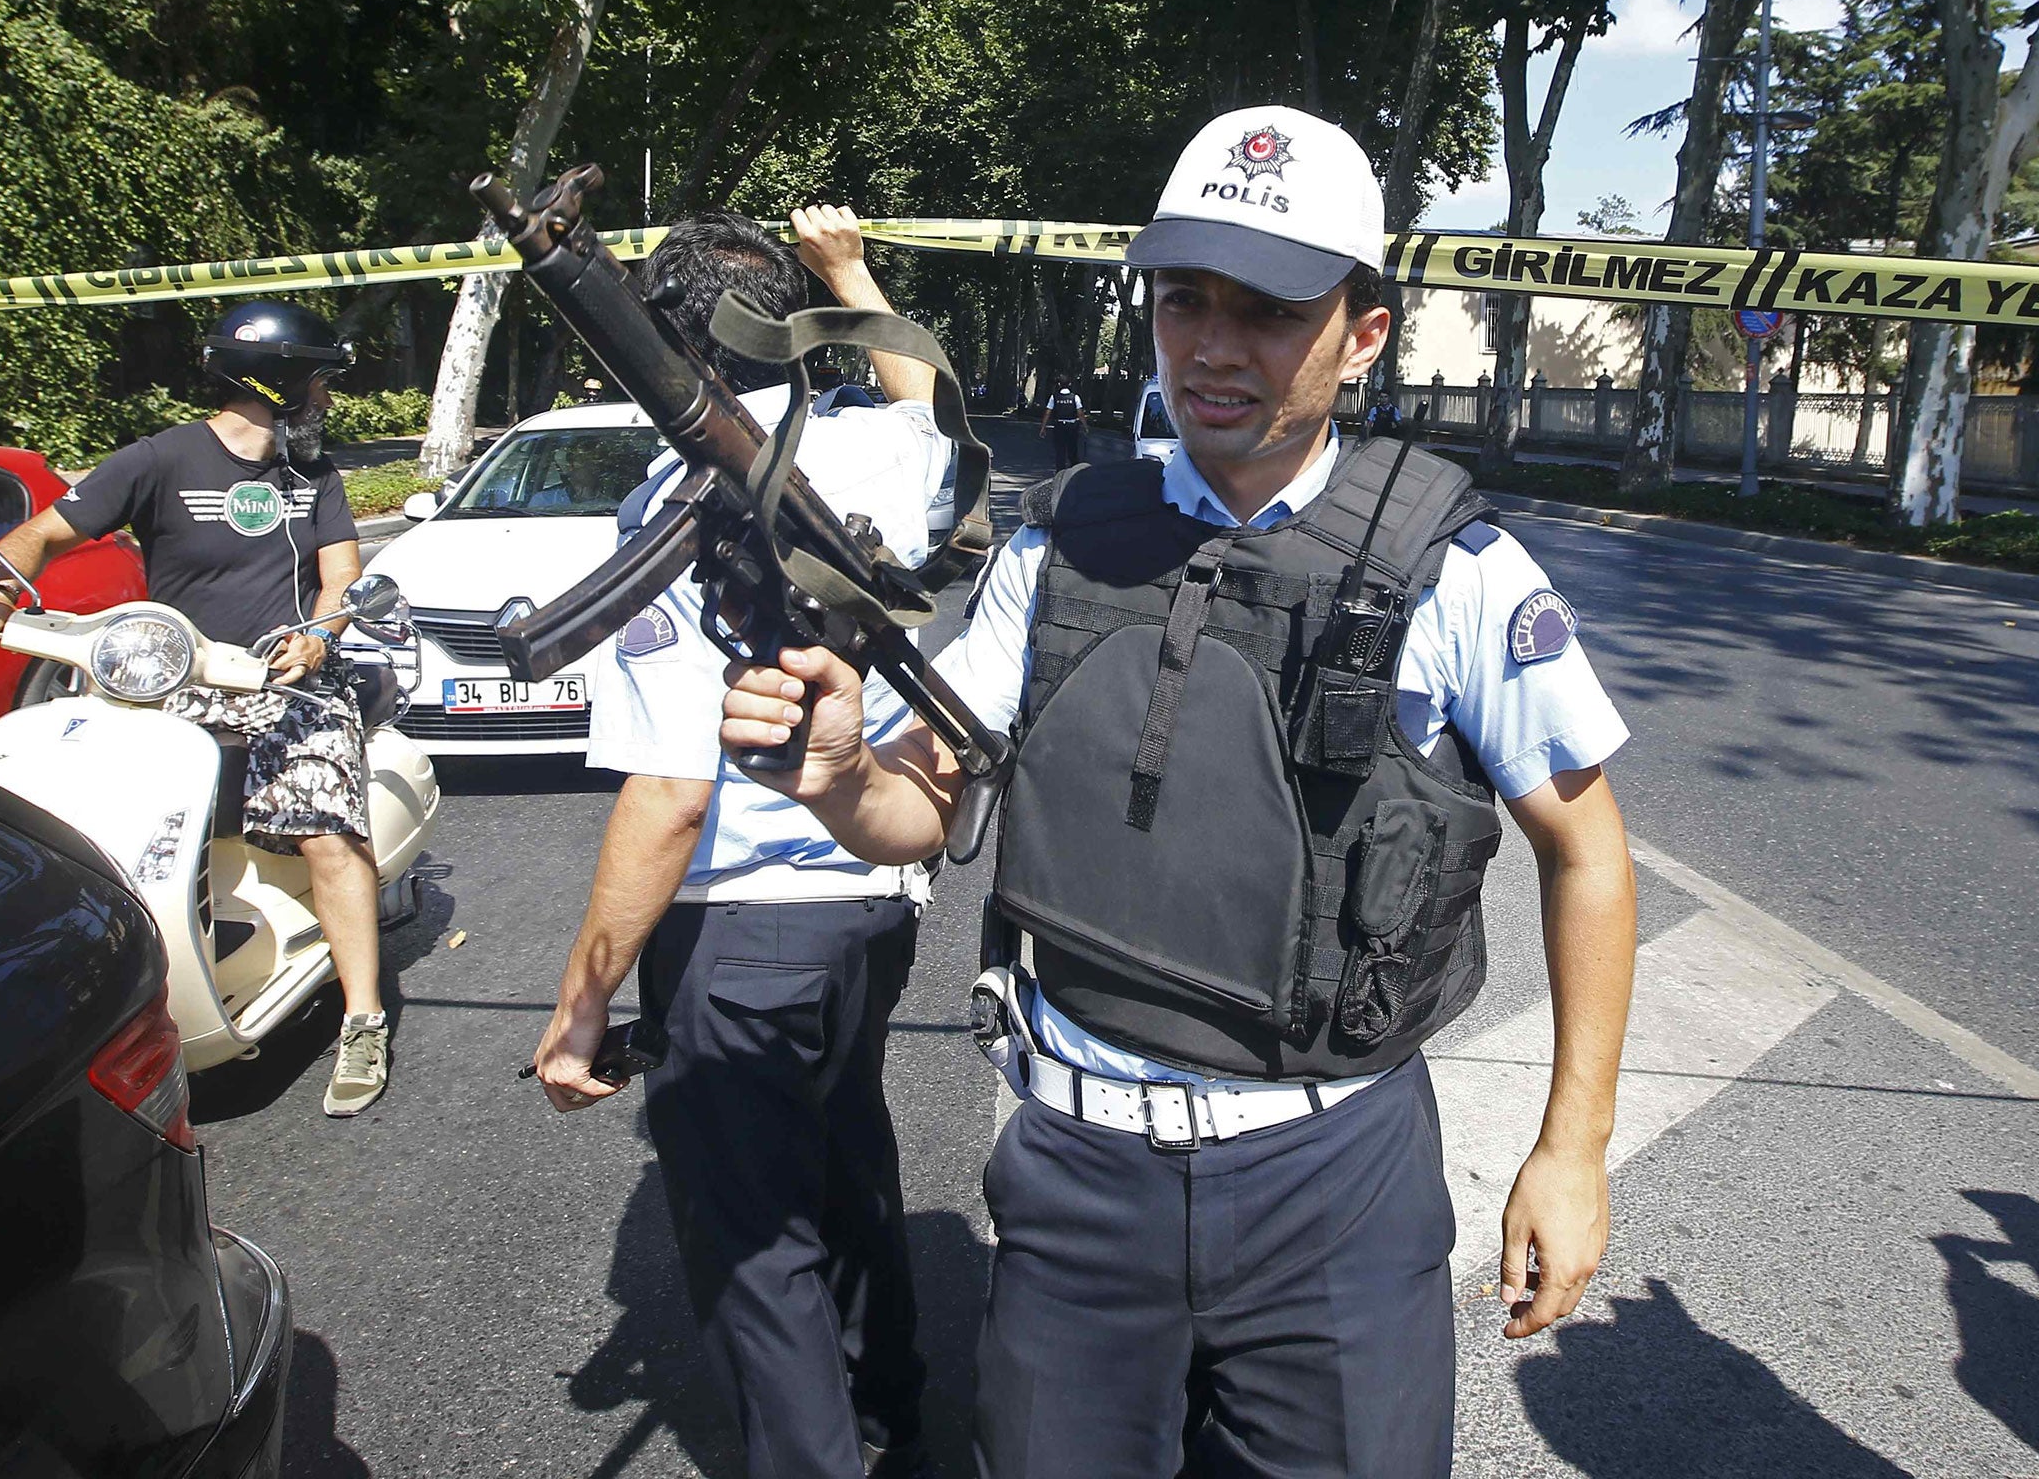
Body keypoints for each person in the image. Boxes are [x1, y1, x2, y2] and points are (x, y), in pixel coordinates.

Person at [719, 106, 1638, 1477]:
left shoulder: (1459, 573)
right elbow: (925, 804)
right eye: (1184, 299)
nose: (1212, 347)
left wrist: (1574, 1150)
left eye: (1267, 310)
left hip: (1334, 1182)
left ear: (1363, 332)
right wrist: (844, 775)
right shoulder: (1066, 543)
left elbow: (1589, 852)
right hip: (1078, 1177)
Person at [531, 204, 950, 1479]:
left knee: (757, 1256)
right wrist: (847, 270)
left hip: (739, 936)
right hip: (872, 905)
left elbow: (671, 795)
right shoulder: (879, 453)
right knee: (847, 1167)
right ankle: (894, 1411)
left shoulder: (679, 505)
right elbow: (921, 391)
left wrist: (581, 1004)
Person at [0, 302, 392, 1118]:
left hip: (290, 684)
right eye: (316, 380)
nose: (324, 397)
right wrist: (0, 584)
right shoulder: (159, 459)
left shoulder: (315, 474)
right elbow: (43, 534)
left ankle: (363, 1017)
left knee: (325, 828)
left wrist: (319, 638)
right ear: (274, 382)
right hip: (177, 683)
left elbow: (342, 576)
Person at [1039, 375, 1085, 471]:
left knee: (1060, 451)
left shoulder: (1054, 397)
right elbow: (1080, 413)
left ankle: (1060, 473)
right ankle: (1075, 473)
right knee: (1072, 450)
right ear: (1070, 384)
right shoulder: (1075, 397)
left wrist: (1043, 427)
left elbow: (1048, 412)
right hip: (1072, 426)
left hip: (1059, 426)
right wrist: (1085, 425)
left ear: (1059, 384)